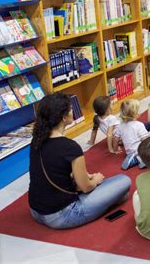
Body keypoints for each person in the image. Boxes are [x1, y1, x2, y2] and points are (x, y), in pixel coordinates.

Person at [28, 93, 131, 229]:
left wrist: (85, 177)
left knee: (118, 192)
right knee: (124, 181)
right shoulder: (70, 147)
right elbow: (86, 187)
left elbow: (53, 168)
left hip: (35, 210)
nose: (73, 111)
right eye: (70, 109)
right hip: (62, 215)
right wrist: (96, 179)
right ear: (64, 118)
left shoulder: (36, 140)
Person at [113, 99, 149, 170]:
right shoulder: (139, 125)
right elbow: (145, 141)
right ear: (135, 113)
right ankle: (141, 160)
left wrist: (115, 149)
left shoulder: (120, 126)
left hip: (129, 152)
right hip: (141, 151)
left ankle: (134, 159)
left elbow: (115, 139)